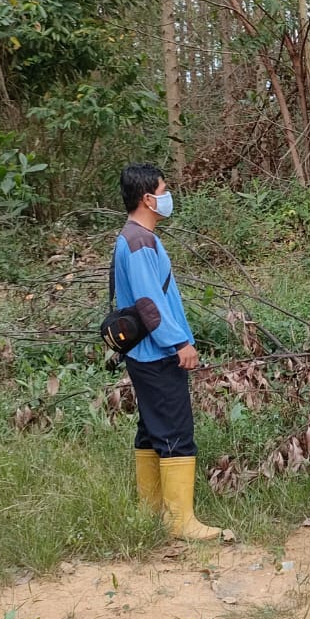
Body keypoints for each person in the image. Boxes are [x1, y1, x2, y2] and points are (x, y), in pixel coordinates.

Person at [113, 163, 222, 541]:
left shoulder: (134, 236)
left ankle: (152, 511)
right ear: (147, 198)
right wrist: (179, 342)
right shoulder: (139, 242)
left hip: (143, 352)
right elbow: (148, 302)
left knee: (151, 428)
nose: (168, 195)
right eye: (164, 189)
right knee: (175, 430)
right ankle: (180, 521)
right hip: (156, 353)